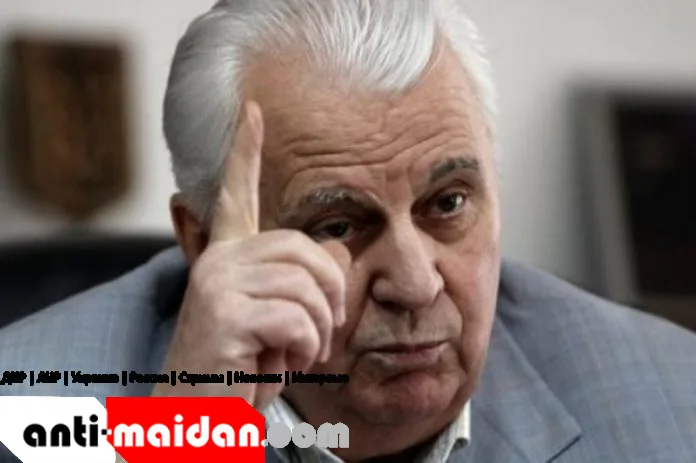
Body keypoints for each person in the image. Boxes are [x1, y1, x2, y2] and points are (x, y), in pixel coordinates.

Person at [1, 1, 695, 462]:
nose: (415, 284)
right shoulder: (25, 419)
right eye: (336, 224)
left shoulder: (675, 401)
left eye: (448, 203)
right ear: (204, 243)